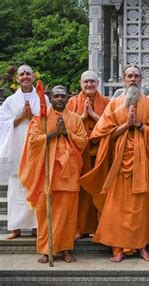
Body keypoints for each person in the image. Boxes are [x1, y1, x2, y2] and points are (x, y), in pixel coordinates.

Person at [80, 65, 149, 262]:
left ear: (141, 79)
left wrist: (139, 126)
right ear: (124, 79)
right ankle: (119, 248)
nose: (133, 79)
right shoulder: (115, 103)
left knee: (140, 207)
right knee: (118, 207)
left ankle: (141, 247)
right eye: (129, 76)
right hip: (119, 162)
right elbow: (101, 133)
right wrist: (126, 126)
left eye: (136, 76)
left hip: (141, 162)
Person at [19, 85, 88, 263]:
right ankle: (45, 249)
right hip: (46, 174)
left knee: (67, 214)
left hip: (68, 174)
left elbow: (83, 142)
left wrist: (66, 133)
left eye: (62, 96)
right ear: (50, 97)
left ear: (67, 98)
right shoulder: (39, 119)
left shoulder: (75, 119)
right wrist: (52, 134)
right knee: (45, 213)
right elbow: (33, 141)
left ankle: (65, 249)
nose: (59, 98)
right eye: (56, 96)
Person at [67, 70, 110, 240]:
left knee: (100, 189)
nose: (89, 85)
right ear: (80, 84)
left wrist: (94, 116)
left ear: (97, 83)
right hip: (80, 153)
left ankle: (101, 226)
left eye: (92, 81)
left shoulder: (106, 102)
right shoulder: (71, 102)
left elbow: (111, 125)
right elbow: (66, 126)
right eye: (86, 82)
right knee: (82, 191)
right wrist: (83, 117)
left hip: (100, 152)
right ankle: (82, 227)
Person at [0, 64, 42, 239]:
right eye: (22, 74)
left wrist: (32, 116)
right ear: (17, 79)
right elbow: (4, 124)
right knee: (16, 189)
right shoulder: (9, 102)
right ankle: (15, 228)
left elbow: (47, 121)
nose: (25, 76)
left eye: (28, 74)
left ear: (33, 77)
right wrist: (21, 117)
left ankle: (36, 227)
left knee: (36, 186)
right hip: (17, 148)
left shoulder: (42, 99)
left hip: (35, 148)